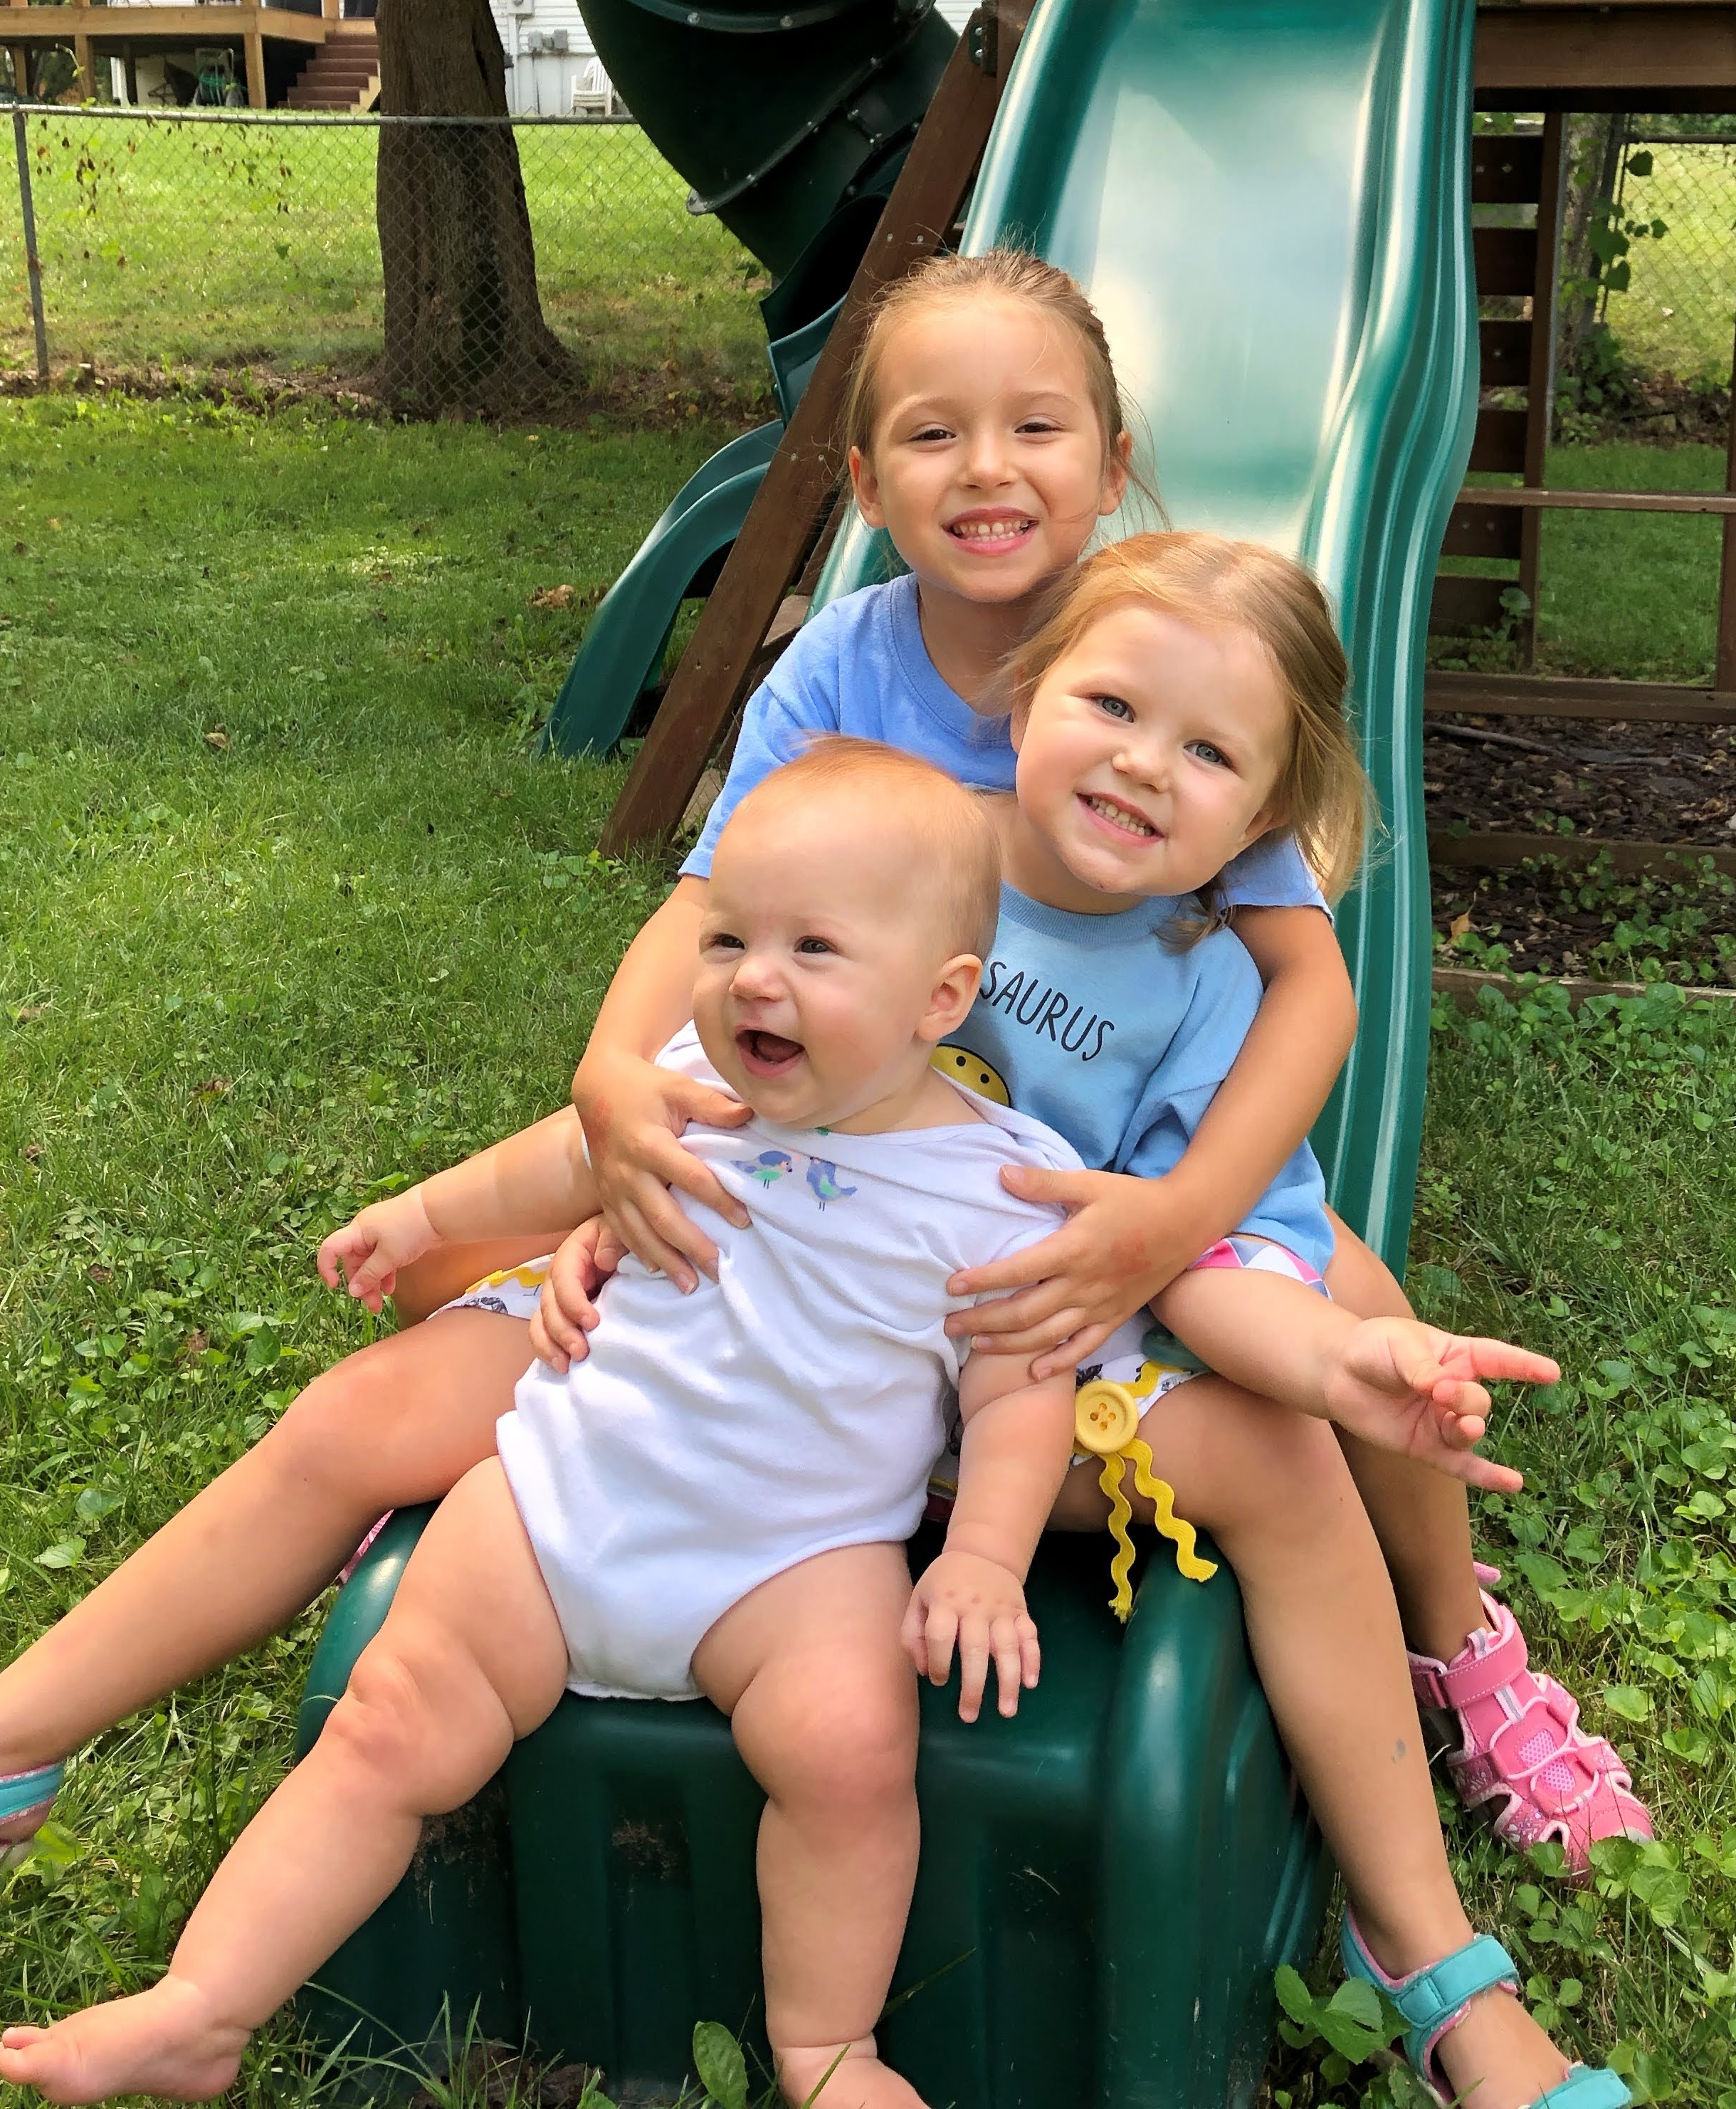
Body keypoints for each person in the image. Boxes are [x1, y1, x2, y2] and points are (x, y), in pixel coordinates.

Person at [0, 246, 1639, 1893]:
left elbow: (1304, 987)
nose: (989, 468)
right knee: (423, 1346)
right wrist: (610, 1079)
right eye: (934, 433)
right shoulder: (853, 665)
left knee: (1339, 1292)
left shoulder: (1167, 672)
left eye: (1037, 427)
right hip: (800, 1197)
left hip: (1037, 1235)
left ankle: (1455, 1640)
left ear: (1113, 465)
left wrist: (1177, 1215)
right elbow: (707, 912)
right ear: (867, 483)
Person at [310, 533, 1634, 2108]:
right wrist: (541, 1192)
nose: (1142, 765)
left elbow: (1218, 1267)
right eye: (1113, 708)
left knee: (1286, 1453)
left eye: (1208, 754)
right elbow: (704, 1057)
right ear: (1024, 699)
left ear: (1266, 820)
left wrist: (1339, 1357)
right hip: (789, 1373)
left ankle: (1427, 1955)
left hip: (1005, 1404)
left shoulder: (1212, 988)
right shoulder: (899, 861)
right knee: (448, 1341)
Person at [0, 745, 1087, 2109]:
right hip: (560, 1498)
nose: (754, 979)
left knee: (852, 1759)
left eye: (814, 948)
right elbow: (556, 1163)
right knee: (388, 1718)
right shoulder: (688, 1091)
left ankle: (828, 2049)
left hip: (793, 1565)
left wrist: (982, 1557)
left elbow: (1019, 1388)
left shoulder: (995, 1187)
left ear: (942, 998)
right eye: (731, 938)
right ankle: (203, 2006)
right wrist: (427, 1216)